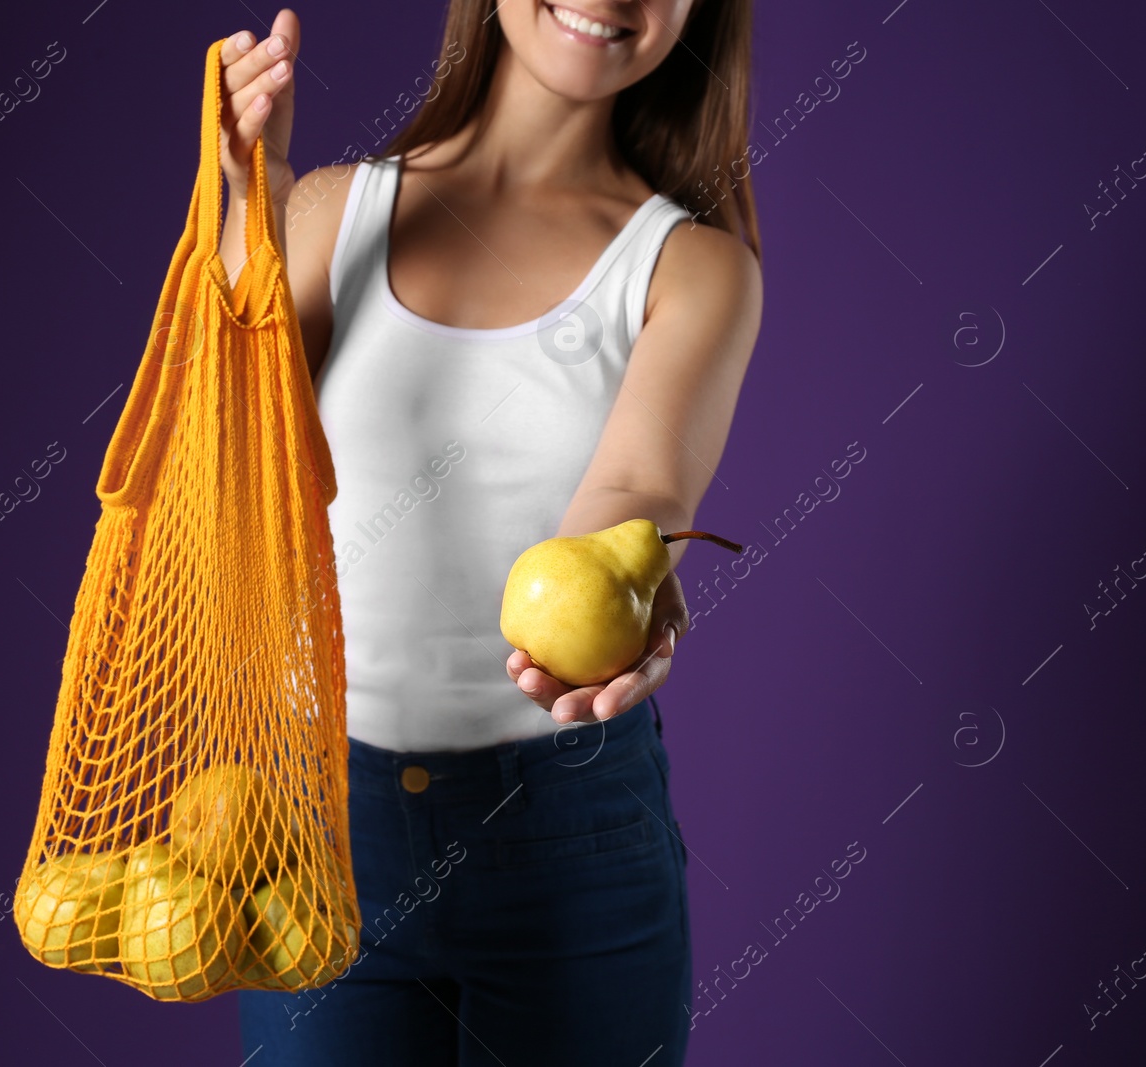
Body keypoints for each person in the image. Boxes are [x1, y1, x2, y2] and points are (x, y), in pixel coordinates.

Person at [217, 3, 761, 1063]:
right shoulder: (338, 209)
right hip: (321, 828)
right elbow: (220, 457)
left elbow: (640, 481)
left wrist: (625, 584)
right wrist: (248, 202)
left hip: (572, 830)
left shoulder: (693, 266)